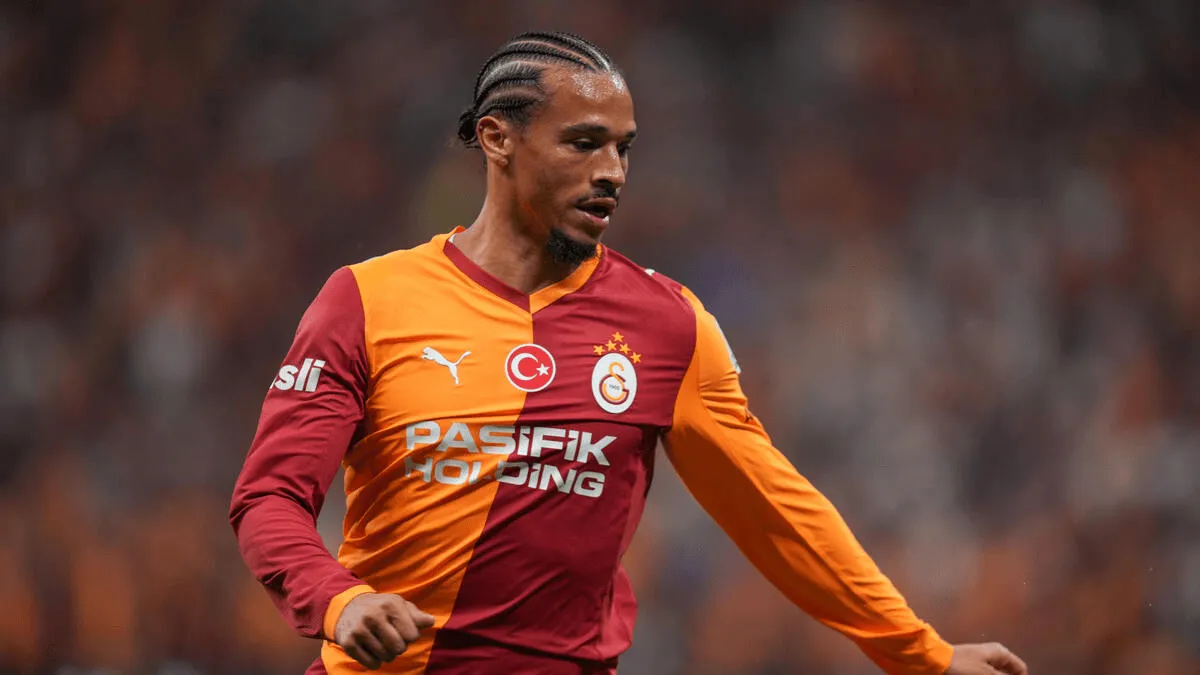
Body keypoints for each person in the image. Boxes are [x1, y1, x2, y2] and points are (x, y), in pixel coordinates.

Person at [229, 31, 1029, 675]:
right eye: (583, 144)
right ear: (497, 139)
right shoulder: (366, 300)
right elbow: (269, 497)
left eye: (622, 148)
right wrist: (338, 600)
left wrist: (920, 653)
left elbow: (776, 510)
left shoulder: (667, 324)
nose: (612, 172)